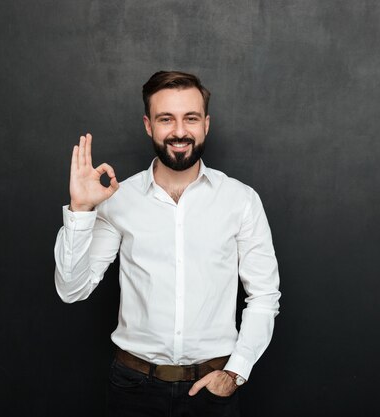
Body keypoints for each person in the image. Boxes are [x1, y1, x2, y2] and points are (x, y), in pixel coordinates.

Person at [54, 71, 281, 417]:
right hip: (133, 390)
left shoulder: (241, 200)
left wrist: (236, 372)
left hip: (212, 390)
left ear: (206, 123)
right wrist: (81, 210)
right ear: (148, 125)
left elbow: (264, 296)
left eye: (190, 118)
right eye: (165, 119)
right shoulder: (119, 199)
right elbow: (72, 289)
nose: (178, 131)